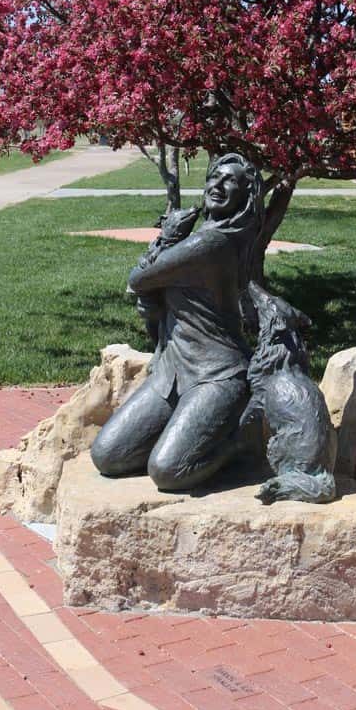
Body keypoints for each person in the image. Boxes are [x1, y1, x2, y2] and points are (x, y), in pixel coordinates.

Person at [90, 153, 263, 492]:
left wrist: (167, 237)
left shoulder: (208, 243)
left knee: (168, 471)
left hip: (216, 375)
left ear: (245, 197)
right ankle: (191, 430)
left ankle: (242, 438)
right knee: (108, 455)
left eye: (231, 181)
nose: (218, 184)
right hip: (172, 371)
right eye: (214, 176)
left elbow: (139, 279)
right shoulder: (204, 237)